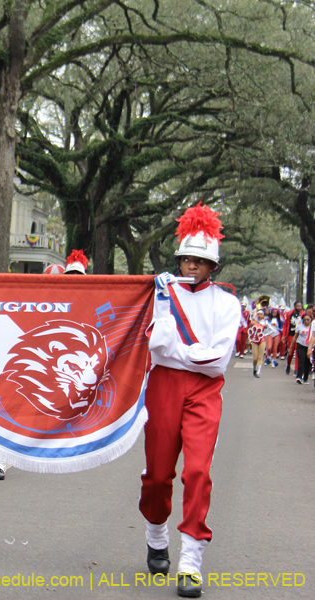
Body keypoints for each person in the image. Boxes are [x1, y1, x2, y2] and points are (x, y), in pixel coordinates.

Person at [142, 203, 241, 598]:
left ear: (212, 266)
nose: (191, 267)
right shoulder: (162, 292)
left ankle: (191, 559)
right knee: (158, 474)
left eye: (200, 262)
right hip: (163, 386)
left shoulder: (227, 303)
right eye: (186, 260)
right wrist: (191, 352)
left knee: (197, 472)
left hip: (204, 391)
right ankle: (155, 533)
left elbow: (217, 363)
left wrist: (179, 351)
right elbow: (155, 346)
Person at [247, 310, 269, 378]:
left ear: (263, 316)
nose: (260, 316)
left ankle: (258, 371)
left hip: (262, 340)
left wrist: (265, 334)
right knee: (255, 358)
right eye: (258, 314)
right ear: (257, 315)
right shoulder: (253, 322)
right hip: (254, 341)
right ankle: (254, 368)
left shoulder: (265, 323)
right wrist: (249, 339)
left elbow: (271, 329)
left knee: (260, 357)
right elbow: (249, 331)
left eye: (261, 314)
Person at [294, 313, 313, 384]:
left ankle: (305, 378)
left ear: (311, 320)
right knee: (301, 360)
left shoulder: (312, 327)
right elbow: (295, 337)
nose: (306, 321)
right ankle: (299, 377)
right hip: (301, 345)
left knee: (308, 362)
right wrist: (290, 347)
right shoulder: (299, 327)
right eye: (304, 320)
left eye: (308, 320)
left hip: (310, 346)